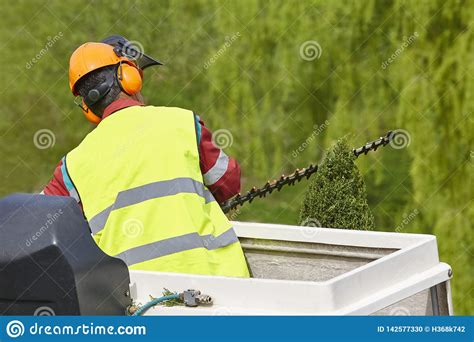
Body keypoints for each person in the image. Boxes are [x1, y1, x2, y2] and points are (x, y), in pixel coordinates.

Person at [42, 36, 249, 278]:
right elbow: (228, 181)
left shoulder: (71, 166)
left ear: (87, 106)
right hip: (217, 284)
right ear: (129, 77)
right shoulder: (180, 121)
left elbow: (39, 224)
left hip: (132, 300)